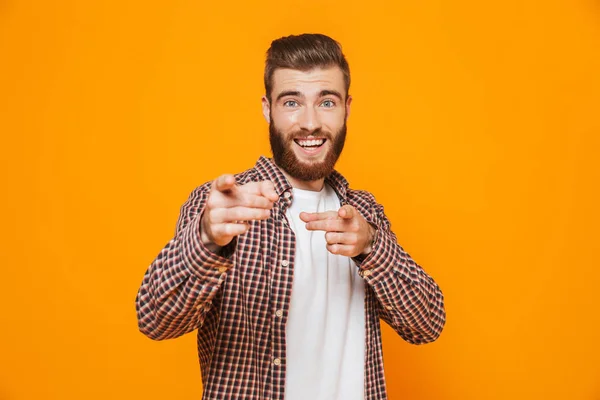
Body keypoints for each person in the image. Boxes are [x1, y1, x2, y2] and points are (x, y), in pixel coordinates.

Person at [136, 33, 446, 400]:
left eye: (326, 102)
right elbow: (155, 319)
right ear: (268, 109)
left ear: (347, 108)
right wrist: (205, 240)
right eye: (292, 102)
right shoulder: (223, 207)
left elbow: (426, 324)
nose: (310, 122)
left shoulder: (363, 214)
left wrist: (373, 246)